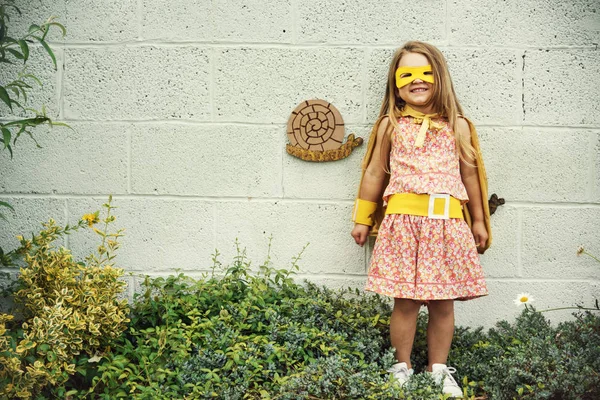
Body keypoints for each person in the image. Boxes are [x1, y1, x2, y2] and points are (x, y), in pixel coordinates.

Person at [350, 41, 491, 398]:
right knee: (406, 302)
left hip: (446, 227)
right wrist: (364, 219)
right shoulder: (390, 125)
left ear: (439, 78)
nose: (417, 80)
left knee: (443, 303)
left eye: (425, 73)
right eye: (408, 74)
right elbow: (372, 175)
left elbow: (471, 175)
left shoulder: (457, 125)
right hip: (403, 226)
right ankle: (402, 367)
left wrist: (478, 220)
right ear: (396, 83)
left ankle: (438, 370)